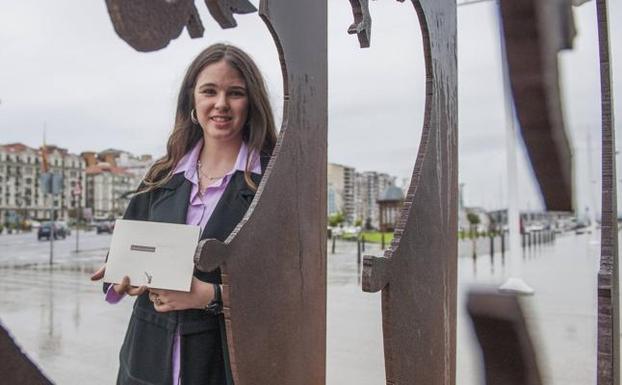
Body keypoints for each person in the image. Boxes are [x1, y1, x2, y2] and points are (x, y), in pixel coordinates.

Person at [90, 43, 277, 385]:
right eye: (209, 91)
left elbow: (289, 288)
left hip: (225, 367)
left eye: (235, 93)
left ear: (251, 103)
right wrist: (119, 270)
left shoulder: (272, 181)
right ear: (192, 99)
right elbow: (127, 251)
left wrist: (210, 296)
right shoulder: (162, 175)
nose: (220, 104)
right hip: (146, 360)